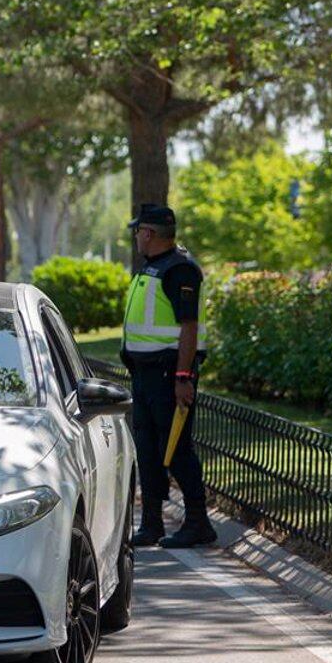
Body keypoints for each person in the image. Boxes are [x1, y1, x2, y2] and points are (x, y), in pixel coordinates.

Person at [121, 202, 215, 549]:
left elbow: (188, 328)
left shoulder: (181, 270)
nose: (136, 238)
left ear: (148, 233)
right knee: (147, 448)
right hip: (146, 375)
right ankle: (152, 523)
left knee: (176, 450)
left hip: (168, 375)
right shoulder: (153, 268)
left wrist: (183, 376)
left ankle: (197, 521)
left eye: (138, 232)